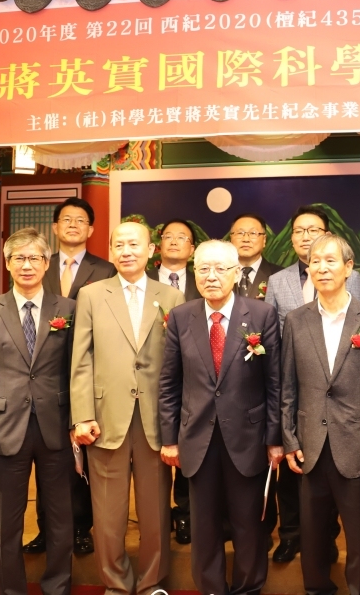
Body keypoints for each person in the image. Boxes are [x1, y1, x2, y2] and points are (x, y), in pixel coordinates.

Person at [158, 240, 283, 595]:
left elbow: (274, 382)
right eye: (203, 269)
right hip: (197, 438)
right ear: (194, 273)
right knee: (205, 526)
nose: (211, 277)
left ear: (236, 273)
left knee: (249, 525)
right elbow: (170, 382)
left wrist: (274, 439)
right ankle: (211, 588)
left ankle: (248, 589)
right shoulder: (182, 316)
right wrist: (169, 438)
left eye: (220, 269)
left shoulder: (261, 315)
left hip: (249, 438)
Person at [71, 221, 185, 595]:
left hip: (155, 419)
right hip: (105, 418)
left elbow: (179, 363)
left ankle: (152, 582)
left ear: (150, 250)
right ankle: (116, 584)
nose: (126, 251)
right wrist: (82, 415)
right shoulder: (91, 294)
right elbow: (81, 360)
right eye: (118, 244)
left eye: (134, 244)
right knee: (107, 513)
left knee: (155, 511)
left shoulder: (170, 297)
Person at [281, 234, 360, 595]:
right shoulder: (296, 321)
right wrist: (289, 438)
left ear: (348, 268)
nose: (321, 267)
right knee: (312, 538)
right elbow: (288, 386)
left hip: (358, 448)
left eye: (330, 260)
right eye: (315, 261)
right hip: (310, 446)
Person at [0, 229, 75, 595]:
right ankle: (11, 590)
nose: (26, 265)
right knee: (6, 522)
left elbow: (78, 371)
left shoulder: (69, 310)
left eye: (34, 258)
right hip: (3, 428)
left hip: (56, 426)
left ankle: (57, 586)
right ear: (7, 263)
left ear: (47, 264)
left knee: (61, 518)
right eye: (19, 258)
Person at [265, 204, 360, 563]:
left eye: (315, 230)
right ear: (291, 239)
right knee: (297, 480)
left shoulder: (353, 280)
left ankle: (330, 543)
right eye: (299, 231)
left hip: (343, 403)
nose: (307, 237)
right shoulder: (278, 282)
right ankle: (292, 537)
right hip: (298, 392)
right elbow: (272, 340)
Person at [31, 196, 114, 556]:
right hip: (43, 373)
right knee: (47, 455)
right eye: (66, 219)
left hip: (86, 370)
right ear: (55, 227)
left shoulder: (106, 269)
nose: (73, 225)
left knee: (81, 456)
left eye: (81, 220)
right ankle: (45, 529)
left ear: (91, 229)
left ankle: (81, 527)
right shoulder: (37, 265)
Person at [146, 218, 200, 544]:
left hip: (192, 381)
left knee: (186, 450)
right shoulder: (142, 280)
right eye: (169, 236)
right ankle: (155, 515)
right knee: (152, 455)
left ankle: (185, 514)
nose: (176, 241)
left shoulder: (204, 281)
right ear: (158, 245)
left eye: (184, 238)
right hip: (148, 379)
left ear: (192, 248)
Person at [230, 212, 282, 300]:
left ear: (264, 240)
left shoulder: (280, 276)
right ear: (231, 238)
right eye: (240, 233)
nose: (246, 239)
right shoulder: (220, 274)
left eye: (253, 233)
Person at [148, 219, 201, 302]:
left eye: (181, 238)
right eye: (168, 237)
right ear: (161, 245)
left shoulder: (200, 283)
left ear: (191, 249)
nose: (173, 242)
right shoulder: (144, 279)